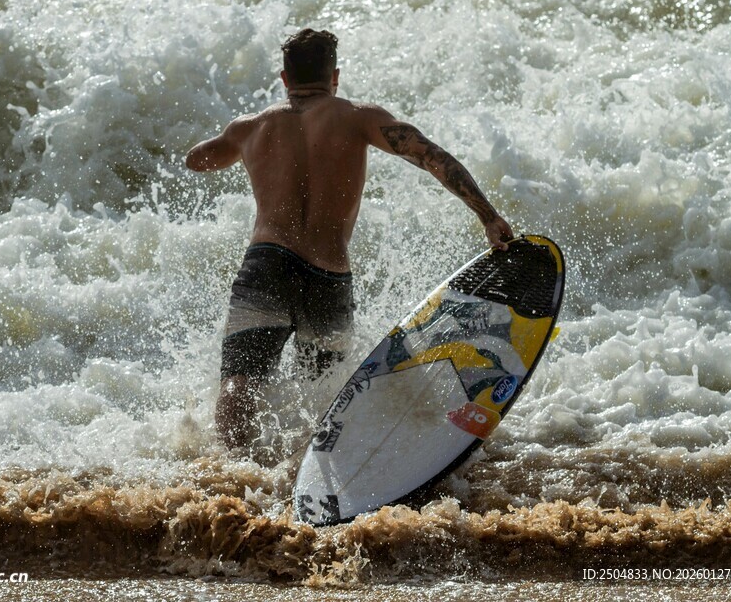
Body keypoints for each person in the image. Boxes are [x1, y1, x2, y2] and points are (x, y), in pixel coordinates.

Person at [185, 29, 514, 454]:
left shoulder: (252, 127)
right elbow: (431, 156)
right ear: (334, 76)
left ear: (284, 79)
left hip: (265, 266)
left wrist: (236, 139)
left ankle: (231, 474)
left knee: (240, 377)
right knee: (322, 393)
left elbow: (197, 160)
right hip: (327, 276)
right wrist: (488, 217)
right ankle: (307, 476)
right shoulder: (359, 116)